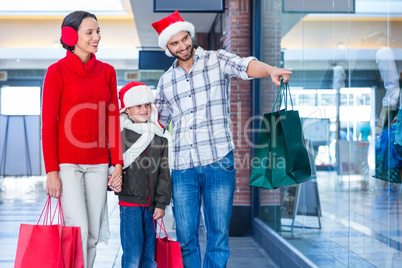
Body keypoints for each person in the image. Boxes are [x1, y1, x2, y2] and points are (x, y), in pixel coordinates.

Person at [151, 10, 291, 268]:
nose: (182, 46)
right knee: (185, 237)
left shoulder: (216, 59)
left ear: (190, 35)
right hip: (182, 168)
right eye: (175, 43)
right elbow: (158, 124)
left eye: (184, 39)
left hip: (218, 162)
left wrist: (270, 69)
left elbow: (245, 65)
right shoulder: (166, 81)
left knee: (217, 237)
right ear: (167, 48)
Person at [41, 10, 123, 268]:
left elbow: (113, 120)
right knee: (78, 228)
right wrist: (52, 171)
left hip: (98, 163)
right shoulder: (56, 72)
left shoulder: (107, 71)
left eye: (98, 31)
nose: (97, 37)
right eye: (90, 32)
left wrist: (117, 163)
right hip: (68, 165)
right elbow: (48, 125)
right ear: (70, 35)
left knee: (93, 233)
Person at [117, 81, 172, 268]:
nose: (144, 109)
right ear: (127, 109)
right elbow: (112, 168)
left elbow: (165, 173)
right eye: (138, 105)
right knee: (132, 255)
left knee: (149, 256)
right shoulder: (121, 136)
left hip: (152, 208)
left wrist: (161, 203)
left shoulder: (160, 137)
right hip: (129, 205)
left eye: (147, 104)